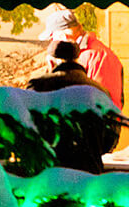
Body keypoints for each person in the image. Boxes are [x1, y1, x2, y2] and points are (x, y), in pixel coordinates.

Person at [28, 40, 117, 171]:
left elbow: (25, 132)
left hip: (50, 177)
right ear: (77, 60)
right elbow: (111, 139)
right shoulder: (100, 91)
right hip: (89, 176)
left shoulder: (39, 87)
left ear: (51, 62)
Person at [39, 8, 124, 109]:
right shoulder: (82, 52)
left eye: (52, 38)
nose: (52, 42)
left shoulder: (98, 56)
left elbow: (104, 104)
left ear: (63, 36)